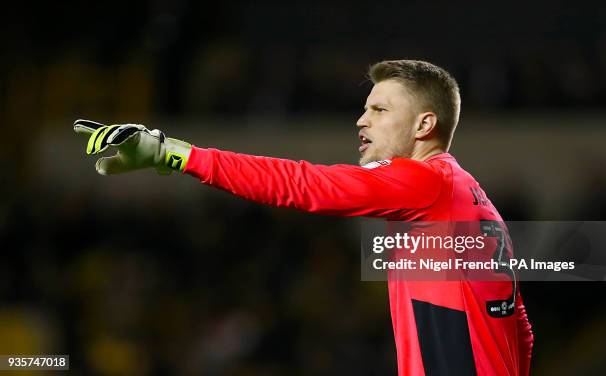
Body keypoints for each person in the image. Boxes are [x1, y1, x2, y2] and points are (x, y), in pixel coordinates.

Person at [75, 60, 534, 375]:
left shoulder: (424, 183)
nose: (361, 120)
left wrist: (175, 154)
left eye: (379, 110)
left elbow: (301, 184)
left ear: (423, 126)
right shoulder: (470, 198)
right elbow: (522, 331)